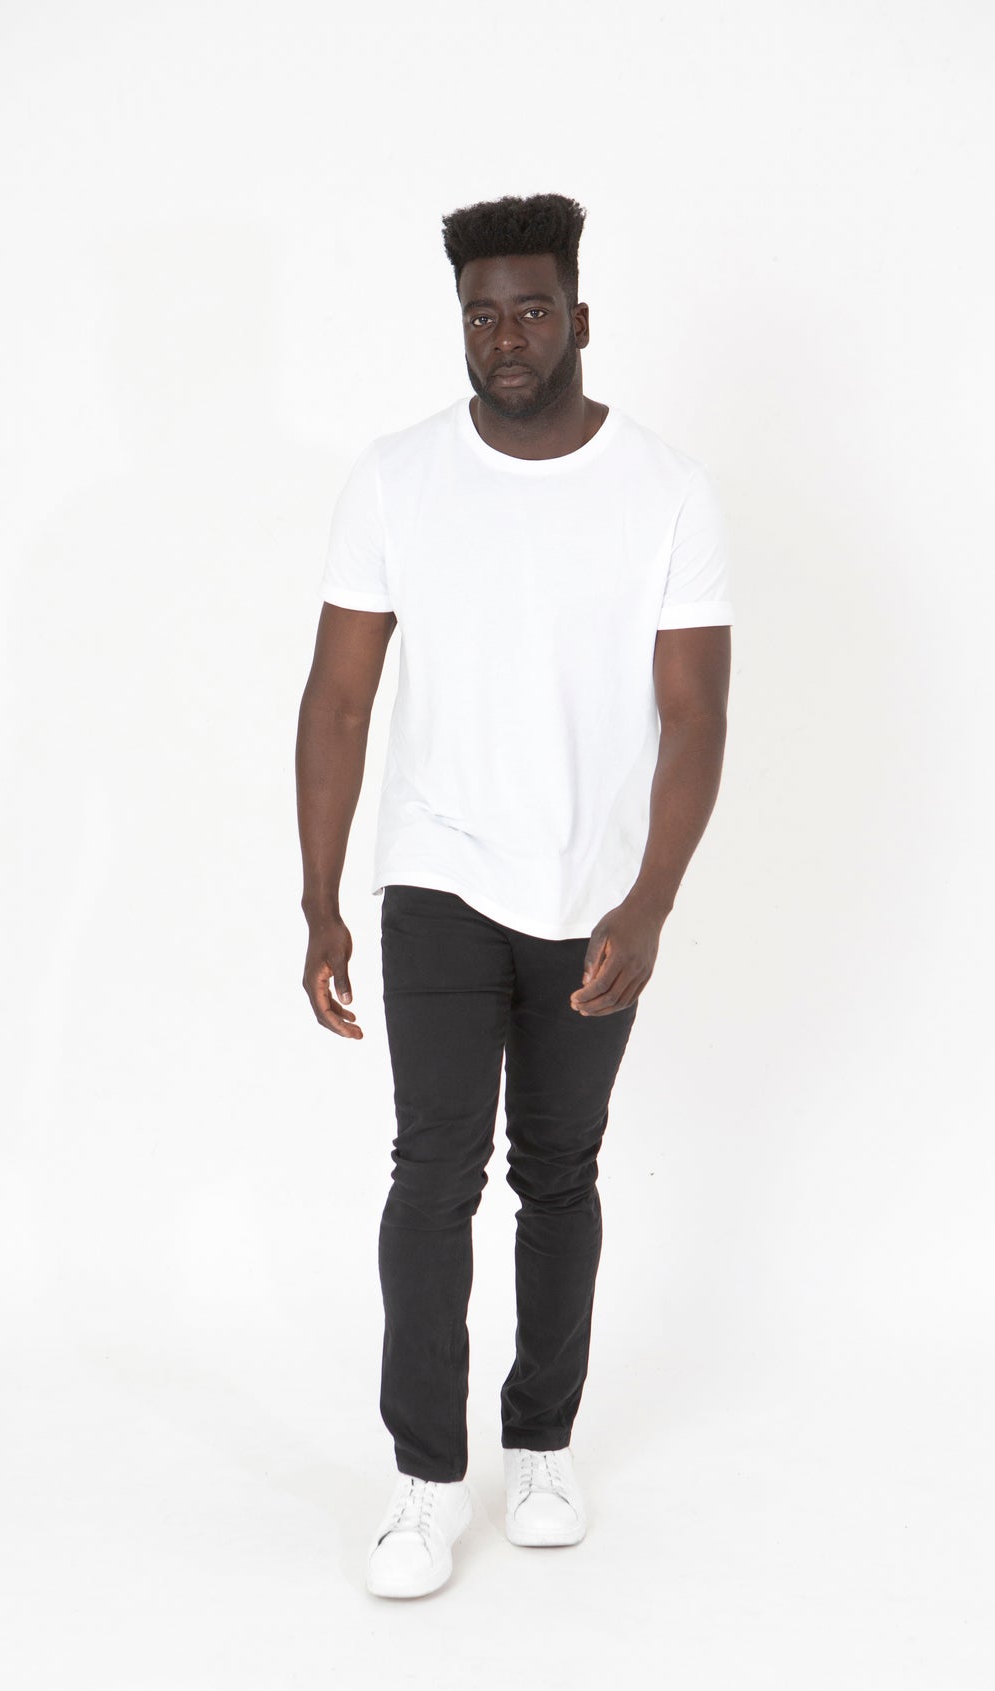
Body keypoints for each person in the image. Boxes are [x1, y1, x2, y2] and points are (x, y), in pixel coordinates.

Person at [294, 193, 733, 1598]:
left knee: (559, 1169)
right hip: (436, 874)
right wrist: (321, 899)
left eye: (532, 309)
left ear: (579, 318)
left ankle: (539, 1446)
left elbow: (696, 716)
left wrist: (649, 901)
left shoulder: (667, 491)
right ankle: (425, 1481)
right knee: (433, 1171)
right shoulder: (395, 479)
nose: (506, 337)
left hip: (592, 889)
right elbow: (339, 699)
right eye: (482, 314)